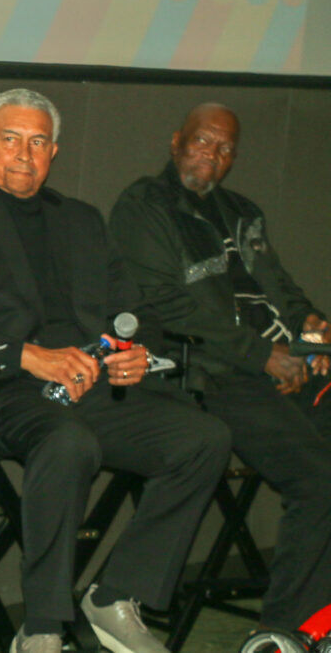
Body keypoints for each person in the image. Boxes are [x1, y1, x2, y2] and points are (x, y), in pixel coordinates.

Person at [0, 88, 231, 653]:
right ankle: (43, 626)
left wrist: (134, 354)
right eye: (10, 139)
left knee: (204, 438)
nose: (23, 155)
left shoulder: (81, 219)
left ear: (53, 152)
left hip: (86, 383)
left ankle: (115, 596)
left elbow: (132, 314)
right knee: (69, 441)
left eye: (37, 142)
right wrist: (28, 355)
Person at [109, 102, 331, 632]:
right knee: (320, 483)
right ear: (176, 140)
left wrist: (313, 326)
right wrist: (262, 356)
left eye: (225, 148)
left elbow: (281, 287)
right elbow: (164, 304)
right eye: (203, 141)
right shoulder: (143, 206)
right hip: (216, 375)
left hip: (283, 364)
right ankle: (292, 633)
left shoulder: (241, 211)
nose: (213, 154)